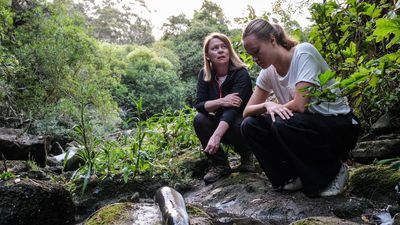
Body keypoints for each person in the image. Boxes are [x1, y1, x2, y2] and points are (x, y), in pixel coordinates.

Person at [240, 18, 360, 196]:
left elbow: (299, 105)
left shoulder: (303, 52)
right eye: (251, 55)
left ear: (272, 39)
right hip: (305, 127)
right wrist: (267, 104)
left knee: (282, 121)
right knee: (250, 125)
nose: (255, 59)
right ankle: (289, 177)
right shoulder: (267, 73)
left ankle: (334, 172)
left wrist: (275, 110)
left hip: (340, 126)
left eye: (257, 51)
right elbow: (246, 112)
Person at [194, 32, 254, 184]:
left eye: (224, 47)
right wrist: (221, 101)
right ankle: (220, 164)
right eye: (215, 48)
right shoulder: (205, 75)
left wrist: (216, 136)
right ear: (208, 55)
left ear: (229, 50)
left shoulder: (241, 74)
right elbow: (200, 105)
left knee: (237, 122)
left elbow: (232, 110)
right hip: (221, 119)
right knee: (200, 119)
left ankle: (247, 156)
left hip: (241, 122)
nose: (220, 50)